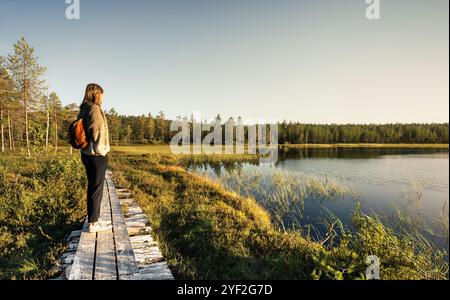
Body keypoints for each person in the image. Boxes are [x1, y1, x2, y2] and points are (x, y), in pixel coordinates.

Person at [78, 83, 112, 233]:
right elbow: (97, 131)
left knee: (92, 187)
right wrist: (102, 151)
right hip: (96, 154)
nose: (102, 97)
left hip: (86, 154)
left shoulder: (83, 108)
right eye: (101, 94)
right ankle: (93, 224)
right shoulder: (94, 108)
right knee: (97, 188)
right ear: (95, 94)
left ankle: (93, 220)